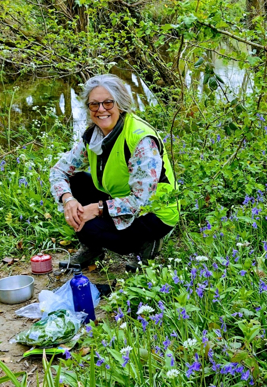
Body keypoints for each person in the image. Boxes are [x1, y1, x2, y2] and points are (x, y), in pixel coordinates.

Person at [49, 74, 179, 271]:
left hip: (153, 213)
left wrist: (98, 209)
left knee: (89, 226)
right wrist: (68, 199)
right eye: (94, 104)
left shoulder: (140, 139)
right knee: (76, 183)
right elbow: (59, 171)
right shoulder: (94, 136)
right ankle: (93, 249)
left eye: (108, 103)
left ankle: (147, 244)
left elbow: (142, 200)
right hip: (121, 199)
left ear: (121, 104)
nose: (101, 110)